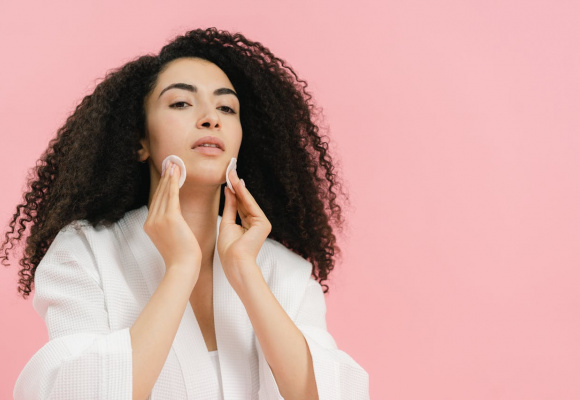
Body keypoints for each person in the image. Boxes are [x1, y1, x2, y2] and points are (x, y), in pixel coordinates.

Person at [3, 27, 369, 399]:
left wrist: (244, 271)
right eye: (181, 103)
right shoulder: (85, 253)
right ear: (140, 141)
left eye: (226, 108)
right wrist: (180, 269)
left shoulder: (285, 272)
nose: (211, 118)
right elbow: (78, 391)